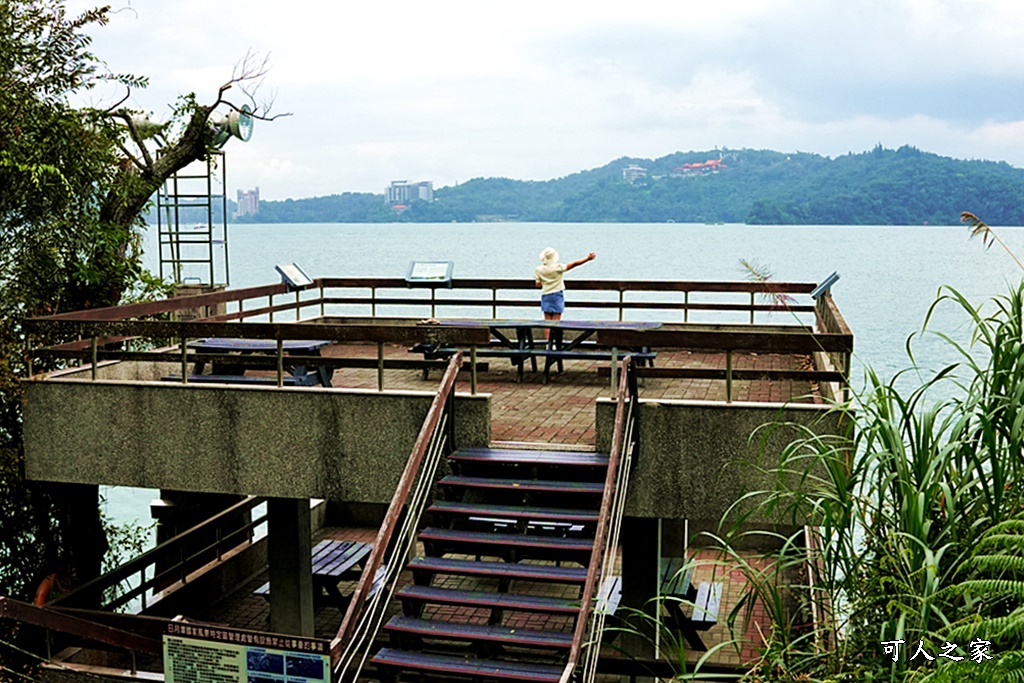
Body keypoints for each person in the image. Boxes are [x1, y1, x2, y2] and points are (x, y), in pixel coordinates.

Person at [534, 247, 596, 324]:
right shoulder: (558, 268)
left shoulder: (538, 270)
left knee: (547, 321)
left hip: (546, 295)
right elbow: (574, 264)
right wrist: (587, 259)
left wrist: (546, 282)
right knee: (556, 321)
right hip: (557, 294)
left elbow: (538, 284)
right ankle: (555, 336)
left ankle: (547, 336)